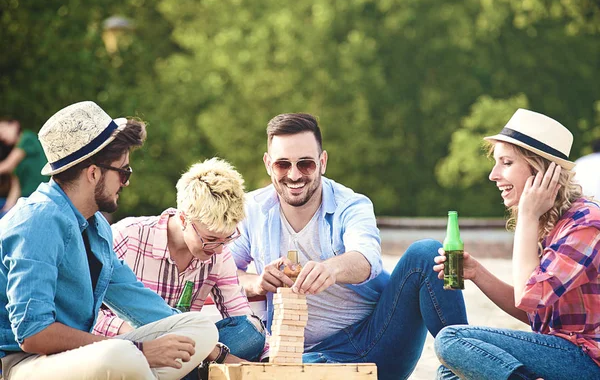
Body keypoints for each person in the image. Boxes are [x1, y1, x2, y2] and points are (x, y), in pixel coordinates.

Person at [229, 113, 468, 380]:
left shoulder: (352, 204)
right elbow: (221, 271)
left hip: (377, 338)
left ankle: (464, 366)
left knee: (426, 252)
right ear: (267, 164)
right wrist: (258, 282)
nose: (294, 175)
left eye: (305, 164)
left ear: (323, 162)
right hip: (309, 356)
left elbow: (367, 258)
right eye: (283, 164)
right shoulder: (252, 209)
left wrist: (331, 269)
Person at [0, 101, 222, 380]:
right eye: (123, 171)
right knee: (120, 354)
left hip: (78, 357)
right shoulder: (37, 222)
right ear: (93, 173)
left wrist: (218, 352)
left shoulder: (96, 225)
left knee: (201, 328)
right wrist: (141, 350)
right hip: (21, 364)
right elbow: (33, 334)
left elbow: (139, 302)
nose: (126, 182)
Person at [433, 108, 600, 380]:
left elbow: (528, 296)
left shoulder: (586, 225)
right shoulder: (552, 224)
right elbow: (532, 311)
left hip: (586, 362)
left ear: (540, 170)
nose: (493, 175)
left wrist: (527, 215)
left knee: (451, 339)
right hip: (561, 353)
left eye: (506, 163)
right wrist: (477, 273)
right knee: (450, 370)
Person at [93, 157, 266, 363]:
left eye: (227, 239)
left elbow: (242, 319)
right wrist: (142, 338)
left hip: (186, 349)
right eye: (210, 239)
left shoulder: (219, 254)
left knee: (250, 332)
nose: (219, 250)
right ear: (184, 219)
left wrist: (273, 361)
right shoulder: (127, 236)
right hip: (129, 347)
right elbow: (84, 312)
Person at [0, 118, 49, 197]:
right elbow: (16, 185)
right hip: (26, 197)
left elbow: (7, 165)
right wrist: (7, 208)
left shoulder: (27, 138)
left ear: (15, 125)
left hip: (39, 194)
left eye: (3, 130)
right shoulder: (18, 154)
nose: (2, 136)